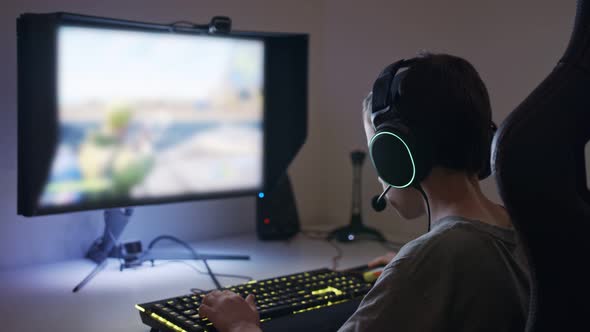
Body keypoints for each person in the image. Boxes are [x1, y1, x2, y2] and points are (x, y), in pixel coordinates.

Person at [198, 53, 530, 332]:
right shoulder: (522, 231)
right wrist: (407, 273)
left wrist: (241, 325)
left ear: (396, 155)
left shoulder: (431, 259)